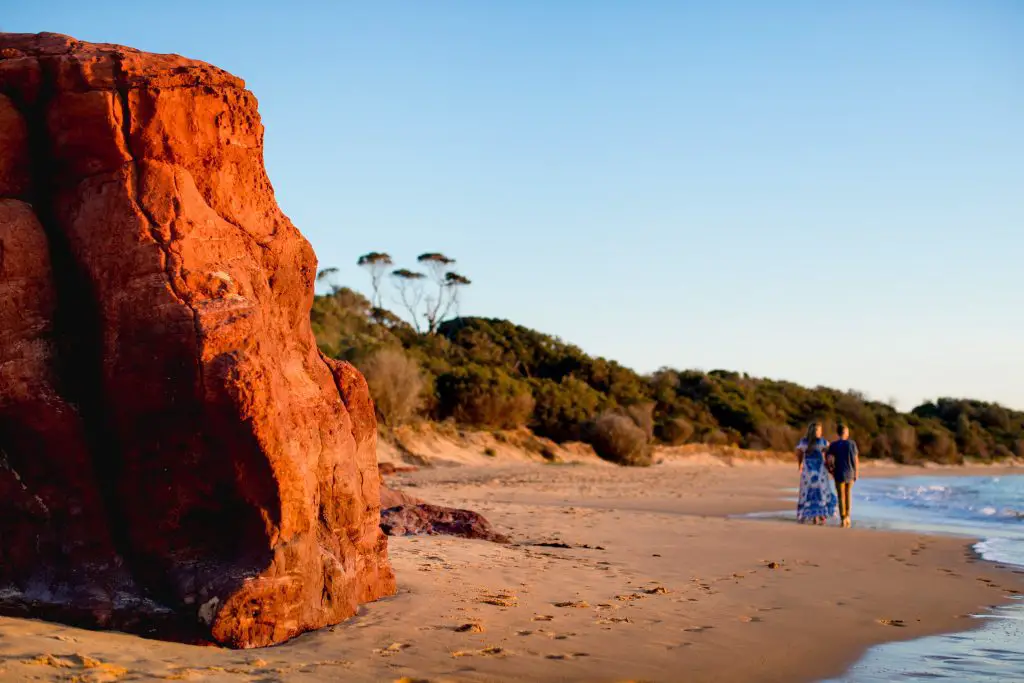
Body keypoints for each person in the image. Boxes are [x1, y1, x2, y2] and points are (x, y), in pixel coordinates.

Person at [795, 421, 837, 524]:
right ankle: (821, 515)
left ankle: (811, 516)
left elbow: (799, 453)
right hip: (819, 471)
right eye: (820, 430)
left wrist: (800, 464)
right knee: (821, 492)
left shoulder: (804, 442)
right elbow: (830, 451)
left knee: (807, 492)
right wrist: (830, 464)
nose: (821, 432)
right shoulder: (821, 441)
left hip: (808, 471)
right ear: (816, 431)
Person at [826, 424, 859, 528]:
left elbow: (829, 459)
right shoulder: (852, 444)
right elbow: (856, 460)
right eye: (847, 431)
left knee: (841, 496)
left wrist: (831, 470)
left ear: (838, 433)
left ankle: (843, 518)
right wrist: (856, 472)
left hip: (839, 472)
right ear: (845, 432)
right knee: (848, 494)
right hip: (850, 472)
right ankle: (848, 516)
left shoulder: (834, 445)